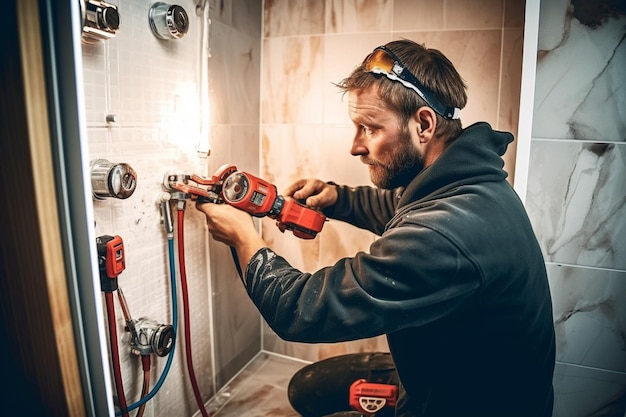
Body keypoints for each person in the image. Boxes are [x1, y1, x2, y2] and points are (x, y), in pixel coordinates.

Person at [196, 39, 556, 417]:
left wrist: (242, 236)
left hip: (469, 405)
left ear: (423, 124)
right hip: (457, 370)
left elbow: (300, 309)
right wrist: (335, 197)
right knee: (310, 389)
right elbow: (398, 207)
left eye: (368, 128)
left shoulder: (448, 232)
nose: (355, 147)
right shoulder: (466, 185)